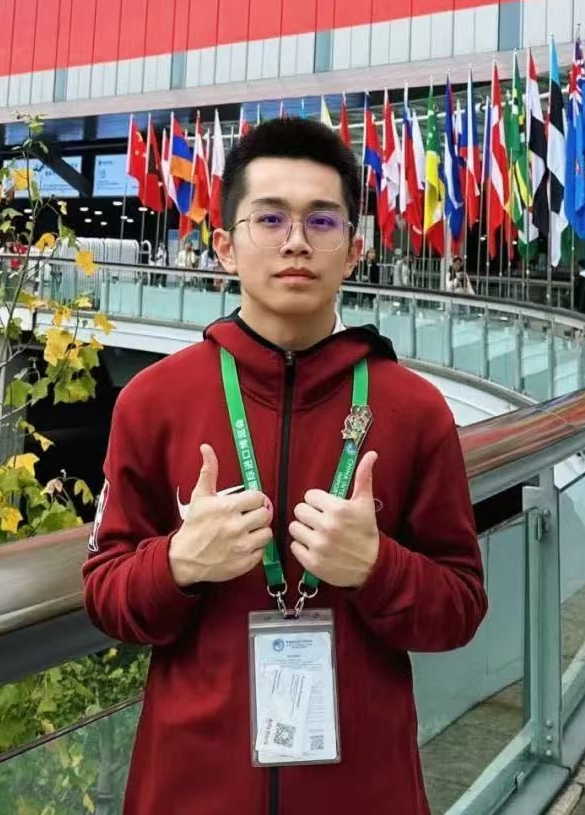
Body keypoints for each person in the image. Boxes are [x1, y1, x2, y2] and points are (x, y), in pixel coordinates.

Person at [83, 117, 486, 815]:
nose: (296, 241)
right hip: (188, 790)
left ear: (353, 250)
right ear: (224, 247)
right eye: (269, 219)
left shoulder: (414, 410)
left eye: (321, 221)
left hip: (366, 793)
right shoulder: (153, 402)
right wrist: (177, 563)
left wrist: (378, 567)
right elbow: (105, 595)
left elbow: (460, 608)